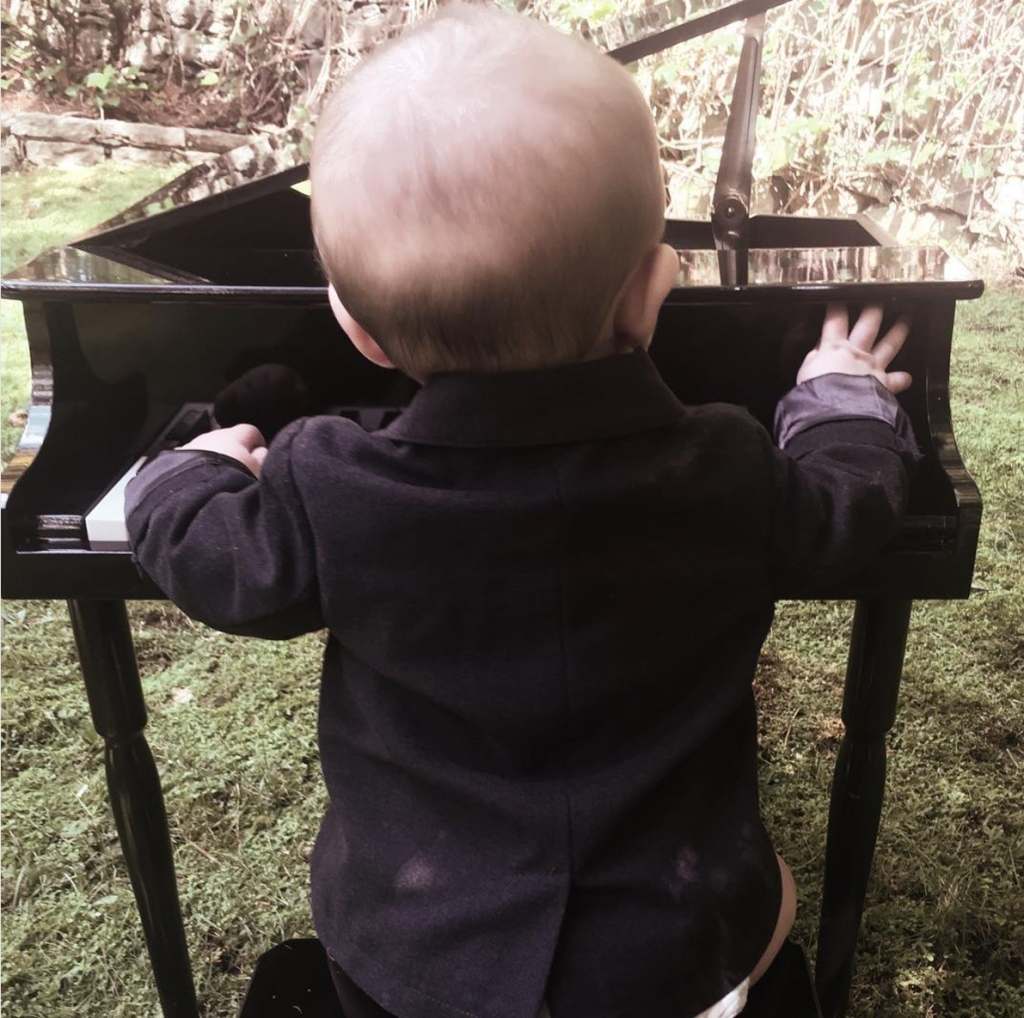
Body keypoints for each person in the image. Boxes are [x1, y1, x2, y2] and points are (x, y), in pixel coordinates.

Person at [125, 5, 919, 1017]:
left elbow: (210, 557)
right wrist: (834, 393)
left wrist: (188, 469)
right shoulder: (723, 464)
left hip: (415, 962)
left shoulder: (328, 483)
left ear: (355, 328)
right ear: (648, 292)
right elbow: (846, 507)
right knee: (764, 912)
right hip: (677, 954)